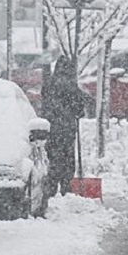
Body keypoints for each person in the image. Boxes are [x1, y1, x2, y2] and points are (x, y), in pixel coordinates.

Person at [42, 56, 86, 196]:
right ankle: (66, 187)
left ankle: (51, 186)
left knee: (52, 157)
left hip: (51, 129)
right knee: (67, 158)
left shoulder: (49, 84)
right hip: (67, 128)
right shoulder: (72, 87)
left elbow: (45, 103)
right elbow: (79, 107)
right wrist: (78, 112)